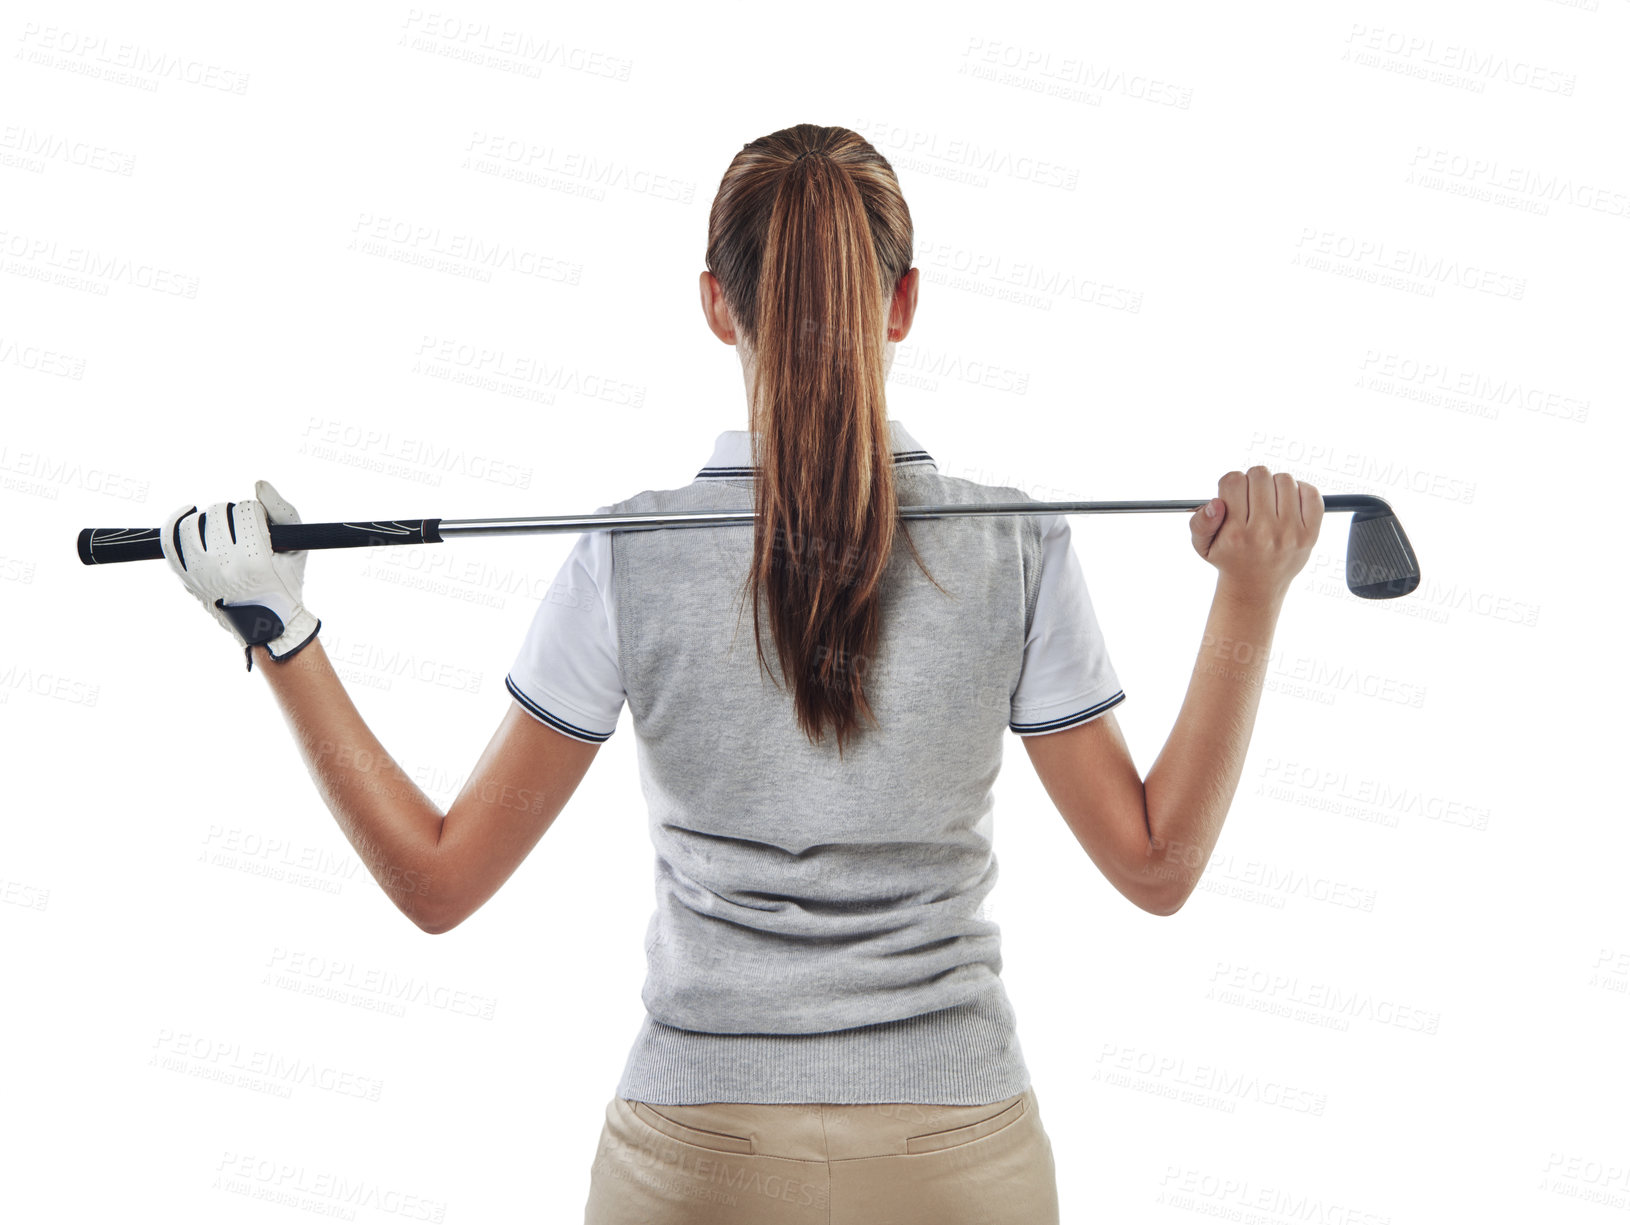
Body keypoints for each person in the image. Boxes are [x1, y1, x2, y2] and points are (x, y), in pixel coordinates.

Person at [158, 122, 1323, 1224]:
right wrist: (1251, 592)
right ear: (904, 302)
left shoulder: (629, 555)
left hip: (695, 1159)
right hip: (954, 1156)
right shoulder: (1012, 541)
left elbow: (437, 881)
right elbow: (1157, 865)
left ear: (717, 304)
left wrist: (282, 631)